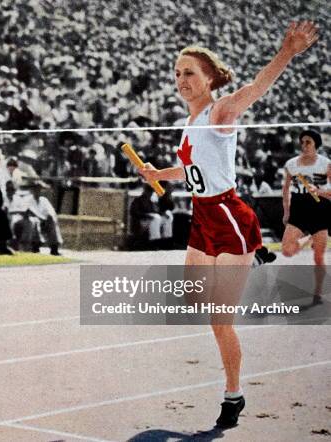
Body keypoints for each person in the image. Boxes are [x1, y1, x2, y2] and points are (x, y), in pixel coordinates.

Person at [140, 21, 318, 428]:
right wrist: (158, 173)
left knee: (221, 321)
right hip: (203, 215)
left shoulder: (220, 112)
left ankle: (233, 395)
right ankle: (252, 259)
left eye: (190, 73)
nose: (181, 80)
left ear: (209, 79)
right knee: (191, 298)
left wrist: (288, 51)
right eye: (177, 73)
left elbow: (256, 88)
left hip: (229, 218)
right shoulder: (189, 124)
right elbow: (192, 171)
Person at [281, 129, 330, 304]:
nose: (304, 145)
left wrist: (320, 191)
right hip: (299, 208)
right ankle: (308, 237)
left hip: (320, 208)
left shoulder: (326, 164)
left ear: (316, 144)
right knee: (287, 251)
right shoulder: (292, 164)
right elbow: (286, 190)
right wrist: (286, 212)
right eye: (302, 142)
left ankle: (317, 294)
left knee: (318, 256)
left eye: (308, 142)